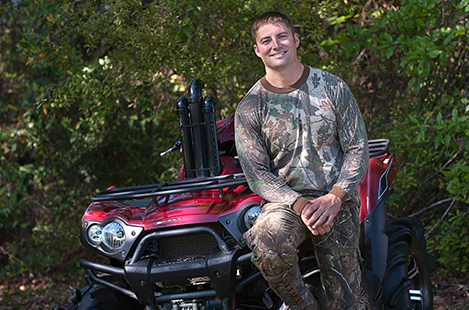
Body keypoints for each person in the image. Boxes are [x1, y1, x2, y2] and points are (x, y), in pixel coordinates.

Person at [234, 11, 370, 310]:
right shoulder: (250, 107)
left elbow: (357, 149)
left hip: (337, 200)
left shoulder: (332, 88)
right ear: (257, 50)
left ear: (295, 39)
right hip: (286, 204)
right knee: (267, 243)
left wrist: (335, 197)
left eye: (282, 36)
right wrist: (300, 204)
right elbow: (257, 174)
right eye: (266, 41)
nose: (276, 45)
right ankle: (303, 307)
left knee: (348, 298)